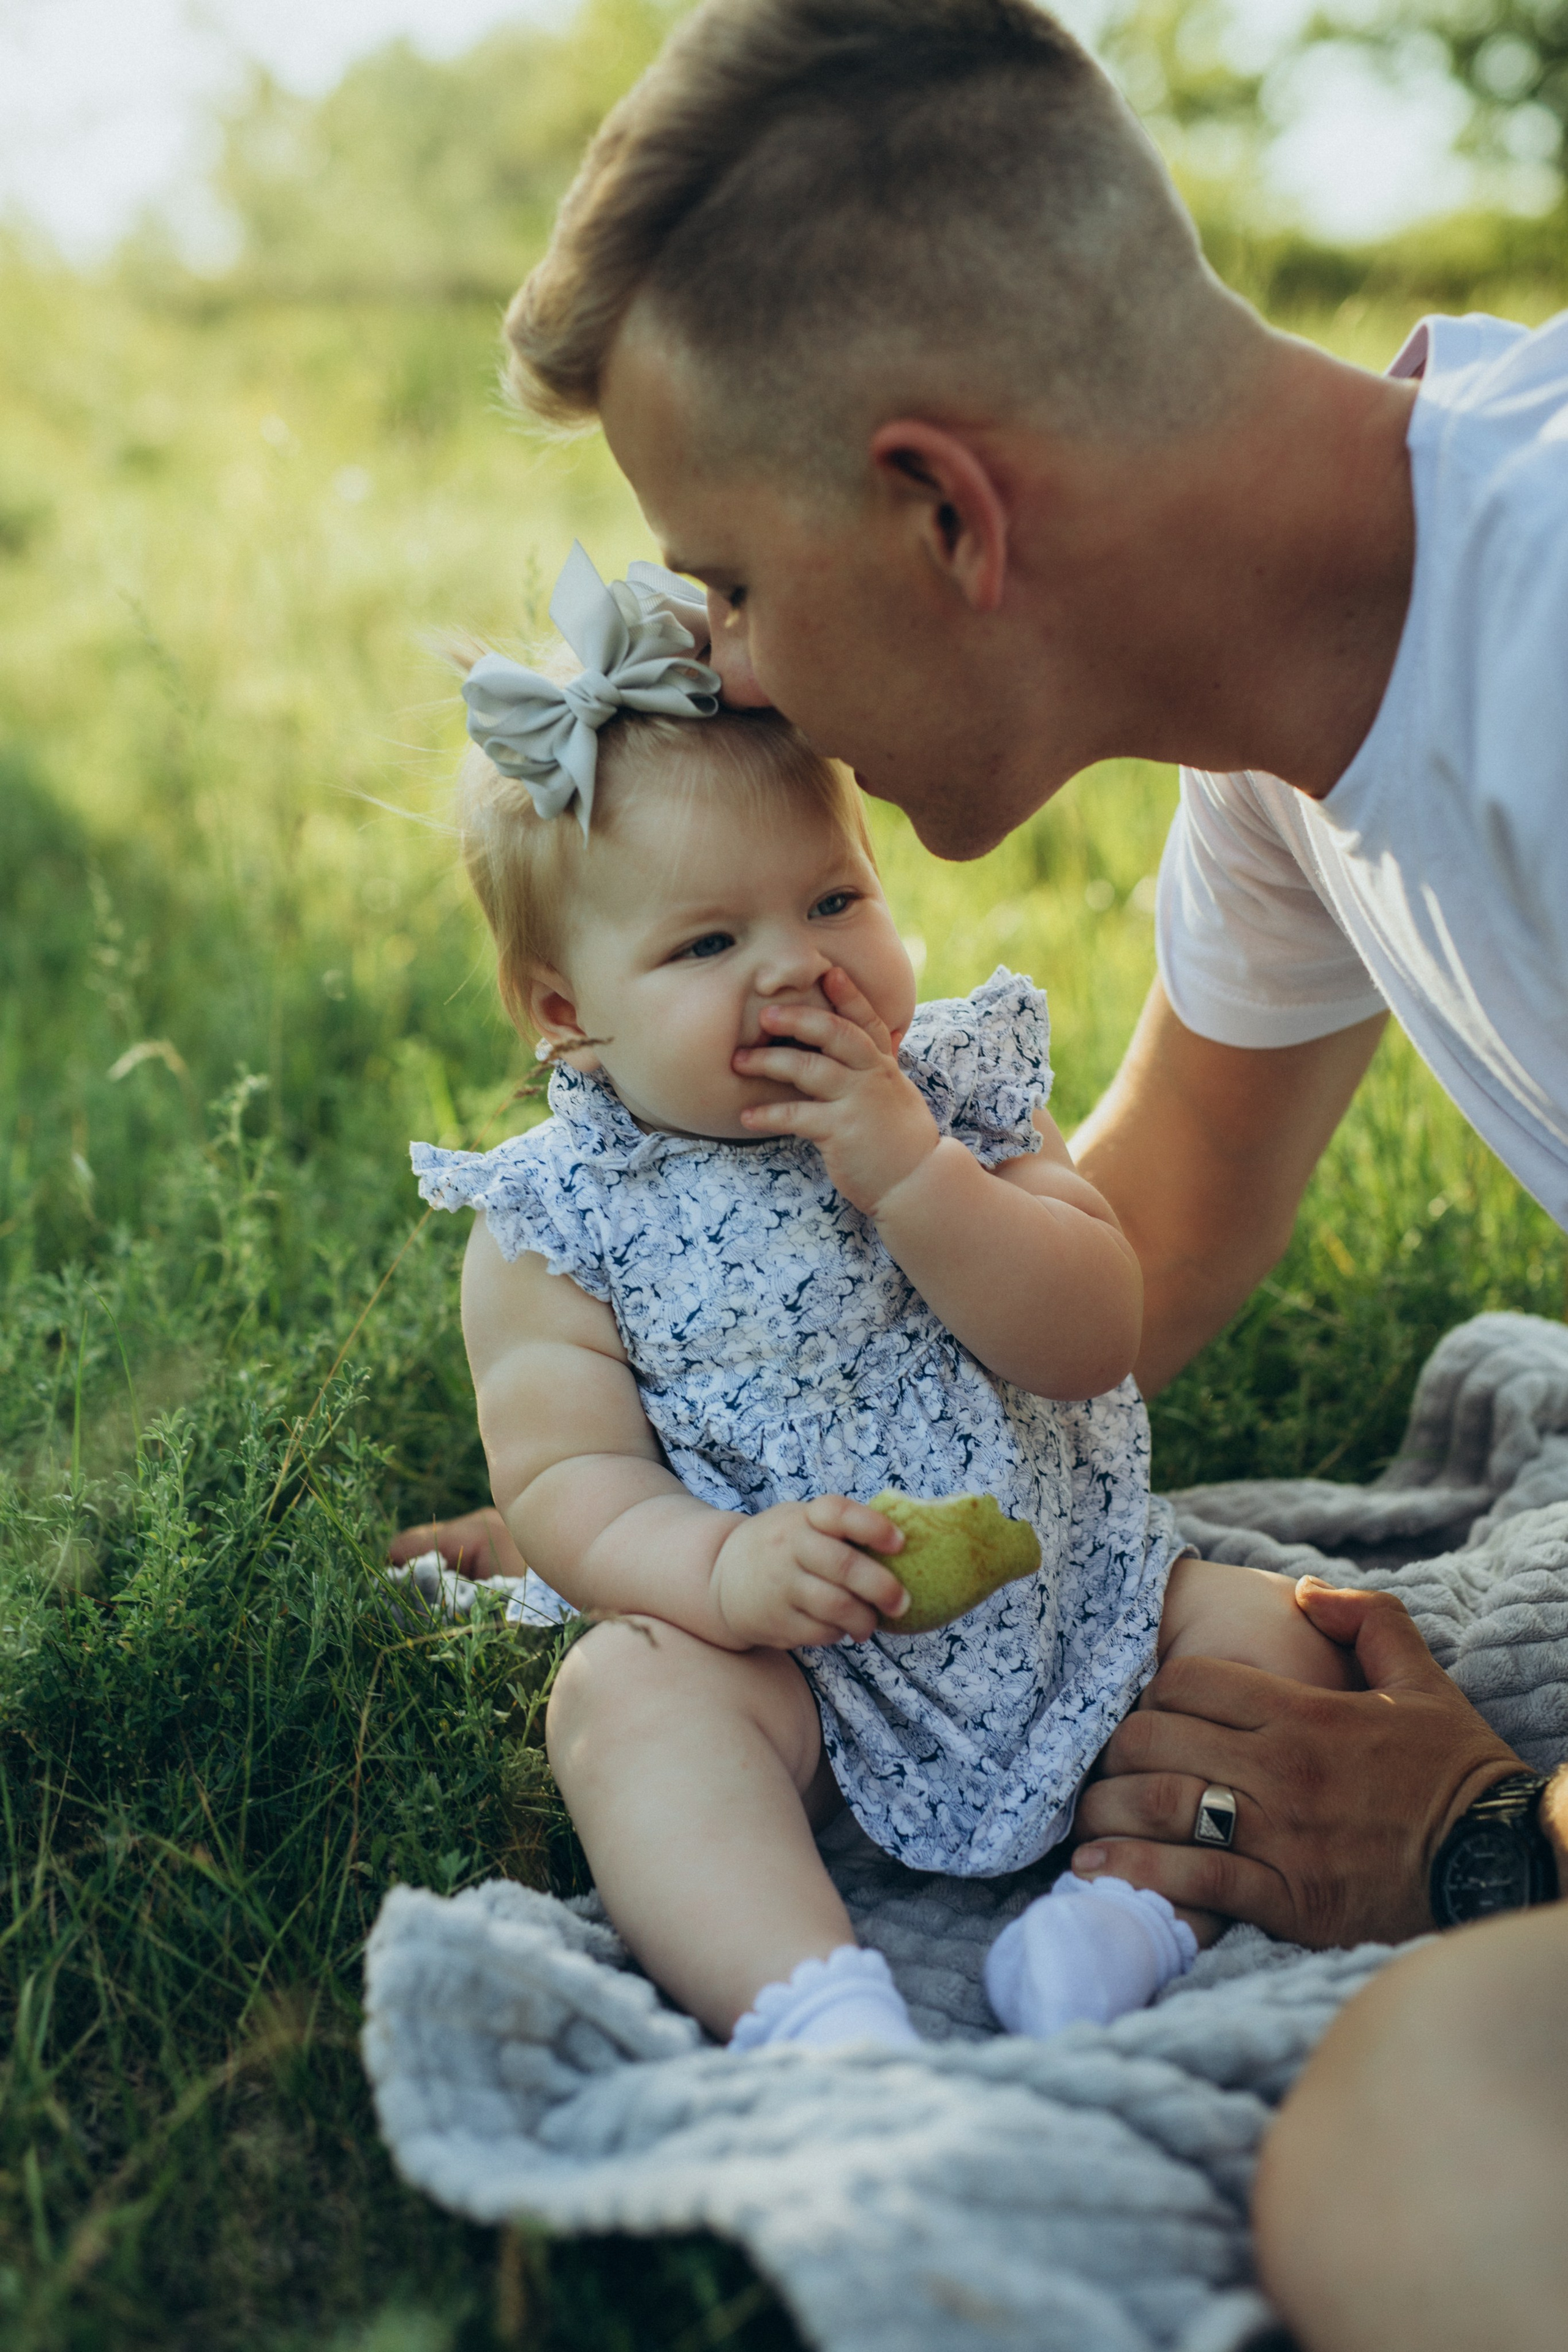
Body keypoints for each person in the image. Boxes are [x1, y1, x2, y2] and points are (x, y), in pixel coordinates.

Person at [392, 0, 1567, 2329]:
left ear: (949, 511)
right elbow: (1162, 1237)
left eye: (721, 577)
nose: (720, 667)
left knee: (1411, 2171)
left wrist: (1495, 1842)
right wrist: (631, 1509)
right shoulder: (1290, 752)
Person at [408, 543, 1354, 2050]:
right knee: (625, 1699)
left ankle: (1127, 1909)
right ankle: (807, 2004)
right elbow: (564, 1482)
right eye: (708, 942)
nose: (799, 969)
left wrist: (917, 1179)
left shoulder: (961, 1098)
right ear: (565, 1011)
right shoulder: (555, 1219)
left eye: (833, 898)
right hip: (795, 1670)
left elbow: (1086, 1336)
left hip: (1073, 1604)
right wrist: (720, 1571)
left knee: (1269, 1630)